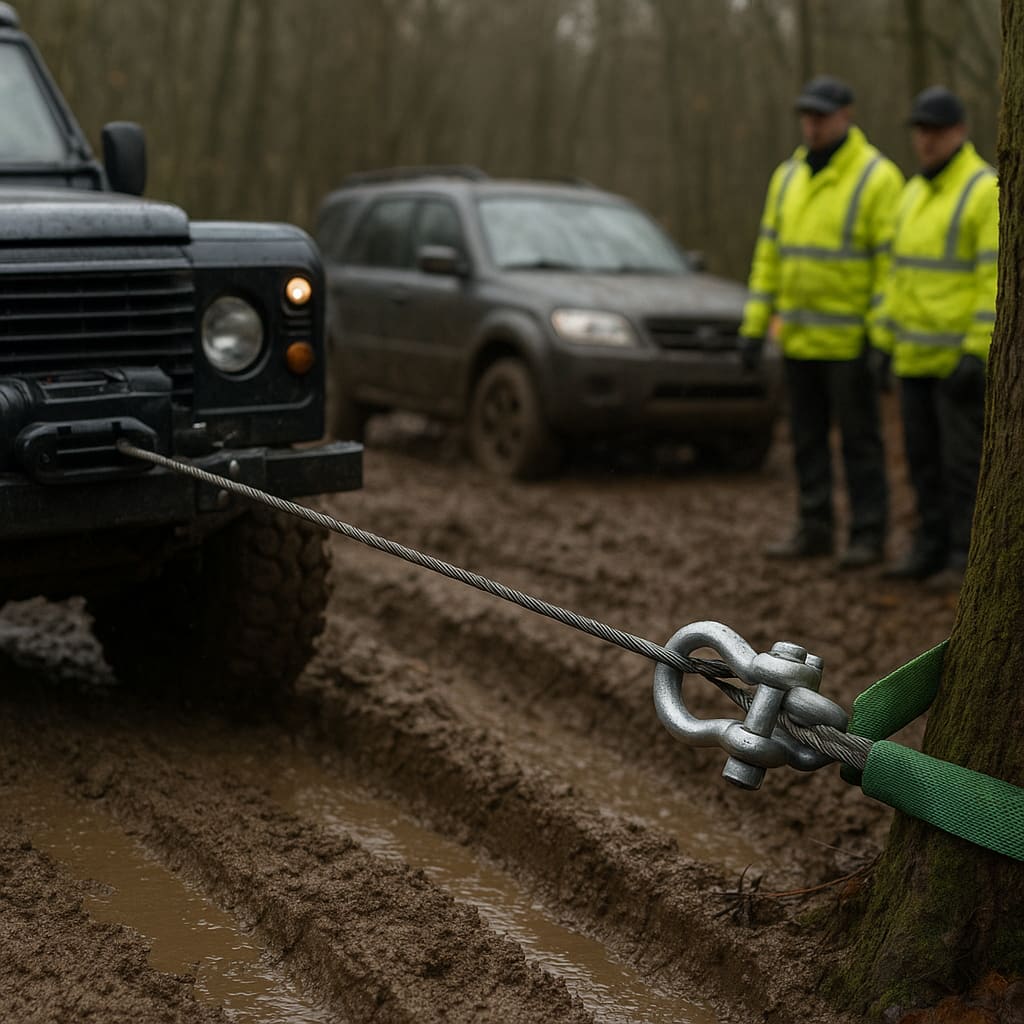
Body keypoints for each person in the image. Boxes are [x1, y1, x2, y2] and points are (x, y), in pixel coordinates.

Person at [740, 75, 904, 567]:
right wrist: (754, 326)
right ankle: (813, 527)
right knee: (807, 442)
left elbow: (890, 267)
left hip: (850, 343)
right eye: (806, 116)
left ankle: (868, 536)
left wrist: (880, 339)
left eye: (821, 115)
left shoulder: (878, 178)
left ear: (845, 116)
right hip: (799, 340)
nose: (811, 125)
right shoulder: (786, 177)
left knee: (860, 445)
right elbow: (768, 254)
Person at [876, 87, 998, 585]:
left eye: (936, 130)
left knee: (961, 466)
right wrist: (884, 340)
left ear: (960, 132)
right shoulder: (910, 193)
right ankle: (927, 548)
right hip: (913, 359)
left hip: (956, 362)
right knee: (922, 464)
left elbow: (995, 279)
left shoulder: (983, 189)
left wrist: (976, 350)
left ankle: (960, 555)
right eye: (921, 130)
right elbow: (895, 276)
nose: (926, 140)